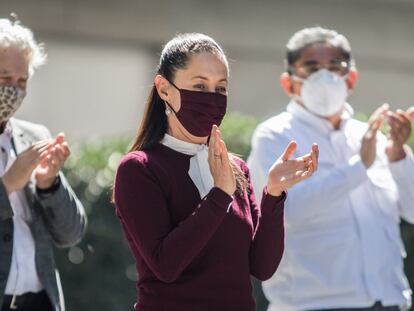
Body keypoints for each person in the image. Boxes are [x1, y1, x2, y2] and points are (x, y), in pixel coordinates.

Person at [113, 33, 318, 311]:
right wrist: (219, 194)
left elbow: (261, 266)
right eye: (199, 85)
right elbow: (165, 265)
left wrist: (274, 193)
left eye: (220, 89)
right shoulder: (139, 169)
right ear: (164, 89)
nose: (211, 98)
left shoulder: (236, 169)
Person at [248, 26, 414, 311]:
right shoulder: (274, 137)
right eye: (311, 67)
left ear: (351, 78)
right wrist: (358, 166)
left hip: (389, 301)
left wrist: (398, 154)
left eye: (334, 67)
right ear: (289, 83)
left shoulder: (372, 137)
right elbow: (287, 212)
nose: (324, 77)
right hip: (312, 305)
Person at [0, 15, 87, 311]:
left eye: (22, 80)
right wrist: (8, 184)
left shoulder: (33, 137)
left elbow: (71, 233)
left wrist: (49, 184)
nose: (14, 89)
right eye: (4, 79)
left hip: (40, 302)